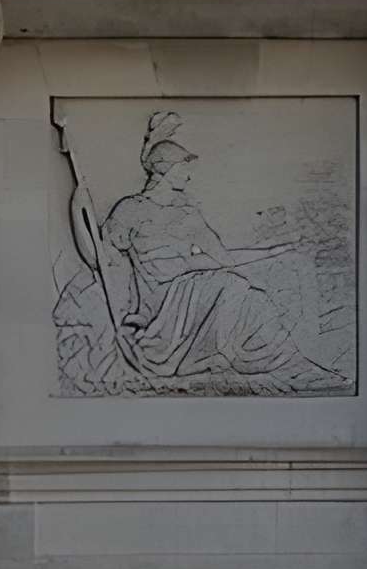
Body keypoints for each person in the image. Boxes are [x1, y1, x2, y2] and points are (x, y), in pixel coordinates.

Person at [95, 114, 316, 385]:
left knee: (247, 296)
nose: (189, 175)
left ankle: (290, 363)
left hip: (189, 294)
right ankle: (275, 364)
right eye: (183, 167)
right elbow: (104, 257)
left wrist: (271, 251)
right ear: (165, 169)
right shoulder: (129, 209)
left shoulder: (188, 213)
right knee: (231, 287)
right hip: (158, 308)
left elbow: (223, 259)